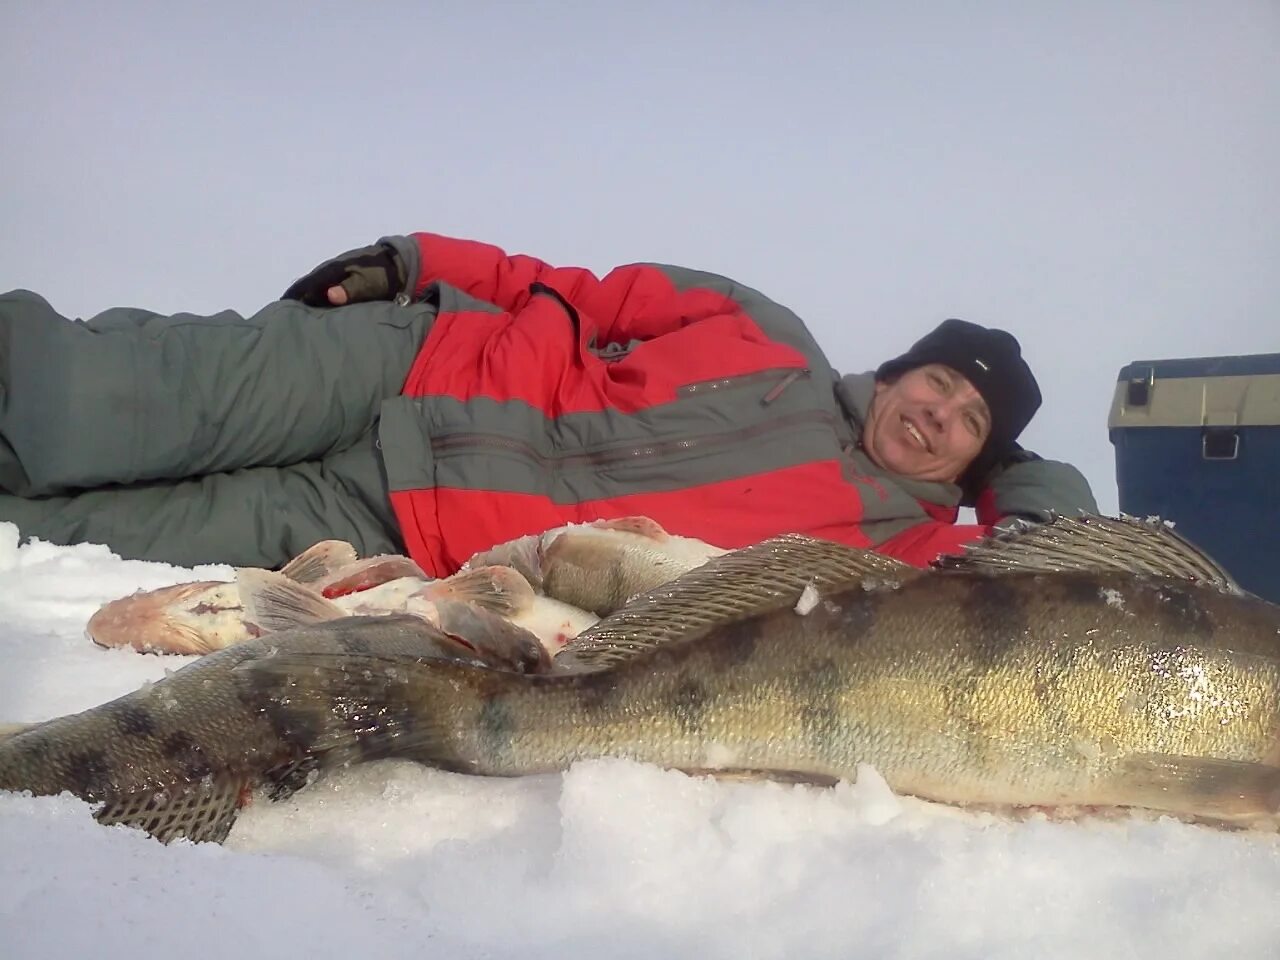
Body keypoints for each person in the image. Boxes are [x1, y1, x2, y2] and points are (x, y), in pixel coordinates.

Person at [0, 231, 1097, 575]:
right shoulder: (768, 330)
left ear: (974, 464)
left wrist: (1014, 481)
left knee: (82, 545)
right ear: (903, 368)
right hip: (410, 365)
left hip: (399, 532)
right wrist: (416, 259)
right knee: (92, 399)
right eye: (937, 384)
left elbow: (1067, 567)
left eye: (967, 426)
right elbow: (575, 292)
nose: (936, 414)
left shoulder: (897, 552)